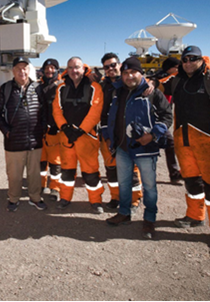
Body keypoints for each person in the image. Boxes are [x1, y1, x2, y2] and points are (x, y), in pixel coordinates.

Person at [161, 45, 210, 250]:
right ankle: (195, 216)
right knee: (193, 183)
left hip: (209, 142)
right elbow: (155, 86)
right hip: (184, 141)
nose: (188, 63)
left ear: (201, 59)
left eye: (192, 59)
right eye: (184, 60)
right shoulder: (176, 80)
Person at [105, 57, 172, 239]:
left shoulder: (152, 92)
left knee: (149, 186)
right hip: (122, 147)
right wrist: (109, 137)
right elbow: (110, 115)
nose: (129, 76)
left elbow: (167, 116)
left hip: (145, 148)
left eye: (133, 72)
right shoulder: (117, 92)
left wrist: (153, 135)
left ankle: (149, 219)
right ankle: (124, 213)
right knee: (124, 183)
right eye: (125, 73)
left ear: (141, 73)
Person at [0, 57, 47, 212]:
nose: (22, 71)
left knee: (35, 173)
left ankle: (35, 197)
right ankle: (13, 198)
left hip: (35, 140)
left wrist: (42, 129)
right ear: (13, 71)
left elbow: (45, 111)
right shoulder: (6, 89)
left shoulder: (38, 88)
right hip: (14, 141)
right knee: (14, 174)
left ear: (29, 70)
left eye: (25, 68)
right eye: (18, 68)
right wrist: (6, 131)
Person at [53, 57, 104, 213]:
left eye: (77, 67)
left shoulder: (94, 87)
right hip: (66, 137)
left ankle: (95, 201)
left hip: (87, 137)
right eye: (70, 67)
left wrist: (81, 130)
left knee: (90, 172)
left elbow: (95, 111)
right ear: (66, 70)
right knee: (66, 170)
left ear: (83, 69)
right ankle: (65, 198)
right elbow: (56, 110)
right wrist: (64, 127)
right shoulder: (61, 88)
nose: (74, 71)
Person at [98, 52, 143, 211]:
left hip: (127, 134)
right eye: (106, 67)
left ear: (120, 65)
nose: (110, 69)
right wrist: (106, 135)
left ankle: (134, 200)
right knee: (111, 168)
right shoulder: (103, 86)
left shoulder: (129, 83)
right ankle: (115, 197)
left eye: (113, 65)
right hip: (108, 133)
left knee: (131, 169)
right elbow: (102, 112)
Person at [155, 57, 183, 184]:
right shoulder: (160, 82)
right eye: (176, 67)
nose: (178, 69)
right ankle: (173, 173)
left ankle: (174, 173)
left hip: (163, 118)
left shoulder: (174, 82)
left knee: (169, 145)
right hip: (156, 118)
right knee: (169, 144)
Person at [38, 58, 62, 201]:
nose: (49, 70)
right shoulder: (37, 87)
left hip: (55, 130)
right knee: (40, 160)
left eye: (53, 68)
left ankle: (55, 187)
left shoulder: (61, 86)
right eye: (47, 68)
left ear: (57, 70)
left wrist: (57, 125)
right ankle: (40, 185)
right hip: (40, 130)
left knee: (55, 161)